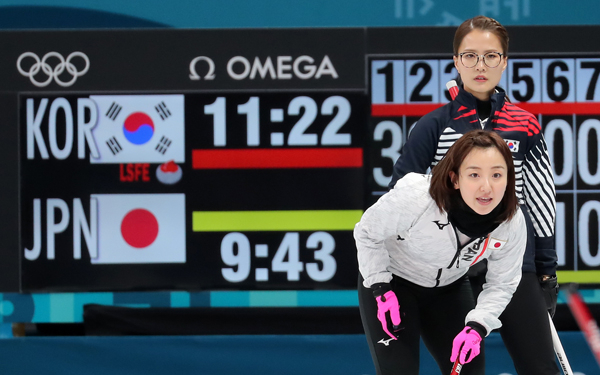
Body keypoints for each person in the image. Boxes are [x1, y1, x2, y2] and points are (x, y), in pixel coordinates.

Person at [387, 16, 559, 375]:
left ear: (505, 61)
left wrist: (545, 271)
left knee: (539, 366)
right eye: (470, 56)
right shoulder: (434, 125)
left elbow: (540, 199)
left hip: (508, 263)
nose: (480, 66)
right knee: (464, 370)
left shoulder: (525, 124)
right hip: (449, 268)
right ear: (456, 60)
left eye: (491, 56)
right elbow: (400, 196)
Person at [356, 130, 526, 375]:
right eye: (474, 174)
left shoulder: (512, 221)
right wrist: (380, 287)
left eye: (497, 175)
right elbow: (366, 232)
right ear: (455, 179)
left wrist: (478, 326)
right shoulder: (417, 200)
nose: (486, 187)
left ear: (509, 178)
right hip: (394, 283)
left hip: (450, 288)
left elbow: (503, 283)